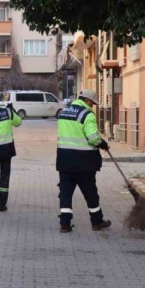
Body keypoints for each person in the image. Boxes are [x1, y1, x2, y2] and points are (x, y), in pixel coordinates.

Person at [56, 89, 112, 233]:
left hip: (64, 160)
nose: (92, 106)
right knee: (90, 193)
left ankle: (65, 224)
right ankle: (97, 221)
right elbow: (93, 137)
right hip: (83, 162)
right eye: (92, 103)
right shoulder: (87, 115)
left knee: (65, 193)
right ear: (87, 100)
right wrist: (104, 144)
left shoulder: (63, 113)